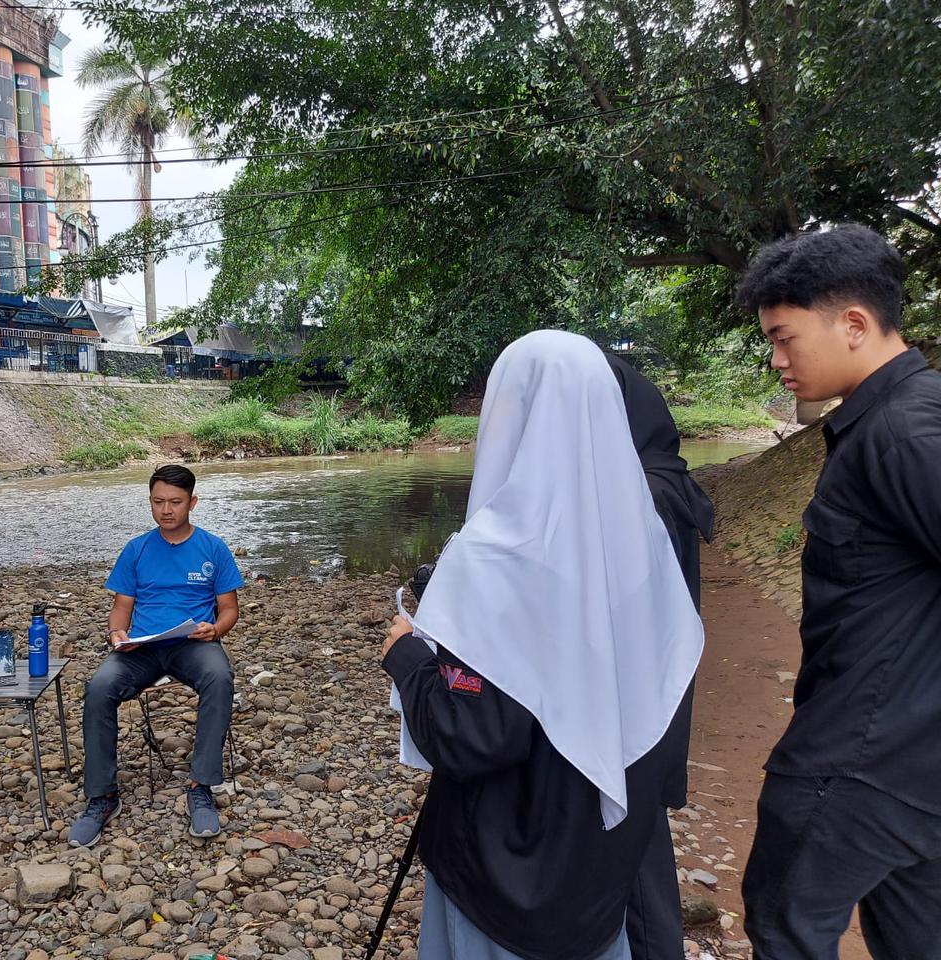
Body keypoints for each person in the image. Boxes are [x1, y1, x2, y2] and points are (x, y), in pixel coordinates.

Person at [382, 330, 706, 960]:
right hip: (597, 863)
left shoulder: (499, 554)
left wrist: (407, 655)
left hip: (505, 881)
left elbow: (470, 736)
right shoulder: (647, 539)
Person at [735, 224, 941, 958]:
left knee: (786, 931)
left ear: (854, 324)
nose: (775, 359)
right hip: (912, 765)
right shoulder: (900, 418)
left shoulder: (905, 433)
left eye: (785, 337)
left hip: (857, 765)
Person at [71, 464, 244, 847]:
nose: (166, 510)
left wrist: (215, 629)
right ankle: (102, 796)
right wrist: (117, 633)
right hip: (143, 647)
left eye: (175, 502)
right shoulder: (137, 549)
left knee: (219, 676)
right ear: (150, 502)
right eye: (158, 502)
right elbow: (121, 608)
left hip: (193, 644)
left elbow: (229, 608)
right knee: (99, 686)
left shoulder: (213, 548)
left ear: (192, 503)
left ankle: (201, 785)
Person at [607, 355, 716, 960]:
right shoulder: (662, 478)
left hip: (631, 712)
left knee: (636, 856)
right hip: (648, 704)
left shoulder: (642, 496)